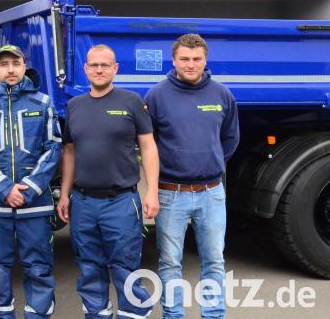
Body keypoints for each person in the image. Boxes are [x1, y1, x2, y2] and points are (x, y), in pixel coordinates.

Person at [56, 44, 160, 319]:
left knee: (125, 268)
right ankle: (97, 314)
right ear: (86, 69)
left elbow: (148, 147)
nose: (99, 69)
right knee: (89, 267)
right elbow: (69, 152)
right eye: (94, 65)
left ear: (115, 69)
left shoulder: (131, 101)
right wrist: (65, 194)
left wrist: (152, 193)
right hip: (83, 202)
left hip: (122, 202)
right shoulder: (75, 105)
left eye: (105, 65)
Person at [144, 34, 239, 319]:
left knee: (214, 260)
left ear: (205, 60)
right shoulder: (157, 95)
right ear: (173, 60)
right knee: (170, 261)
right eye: (184, 59)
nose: (190, 64)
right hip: (171, 192)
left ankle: (213, 315)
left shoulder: (221, 94)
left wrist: (208, 163)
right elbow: (148, 144)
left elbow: (230, 138)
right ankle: (173, 315)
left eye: (196, 59)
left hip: (212, 192)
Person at [0, 44, 61, 319]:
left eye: (15, 64)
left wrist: (29, 188)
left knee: (38, 266)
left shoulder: (42, 103)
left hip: (34, 203)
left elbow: (53, 147)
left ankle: (37, 315)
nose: (10, 69)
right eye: (4, 64)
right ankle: (2, 315)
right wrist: (4, 188)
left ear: (23, 66)